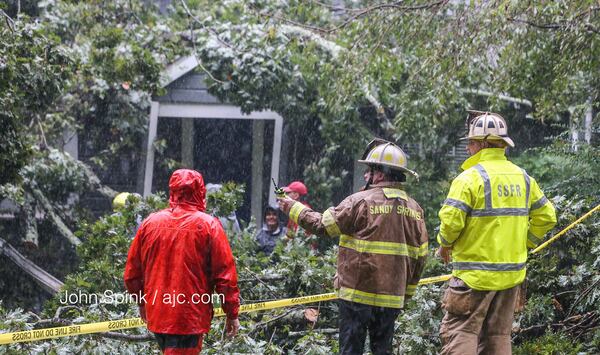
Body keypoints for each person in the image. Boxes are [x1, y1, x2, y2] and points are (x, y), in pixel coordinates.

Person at [278, 140, 429, 355]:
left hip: (356, 296)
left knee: (350, 351)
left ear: (380, 174)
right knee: (382, 351)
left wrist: (294, 208)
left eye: (370, 171)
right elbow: (421, 257)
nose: (366, 175)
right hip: (391, 298)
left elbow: (323, 225)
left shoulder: (359, 202)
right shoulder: (415, 210)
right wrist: (406, 295)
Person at [436, 111, 557, 354]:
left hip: (473, 277)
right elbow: (547, 217)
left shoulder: (468, 179)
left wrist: (444, 244)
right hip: (510, 277)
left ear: (481, 144)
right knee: (498, 337)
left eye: (470, 143)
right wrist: (525, 243)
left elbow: (450, 223)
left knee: (461, 332)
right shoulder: (523, 177)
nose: (468, 149)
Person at [124, 169, 240, 355]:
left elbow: (132, 274)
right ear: (201, 192)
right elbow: (225, 276)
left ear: (173, 191)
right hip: (188, 318)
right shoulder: (209, 226)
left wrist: (142, 302)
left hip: (158, 315)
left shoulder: (150, 223)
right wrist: (232, 313)